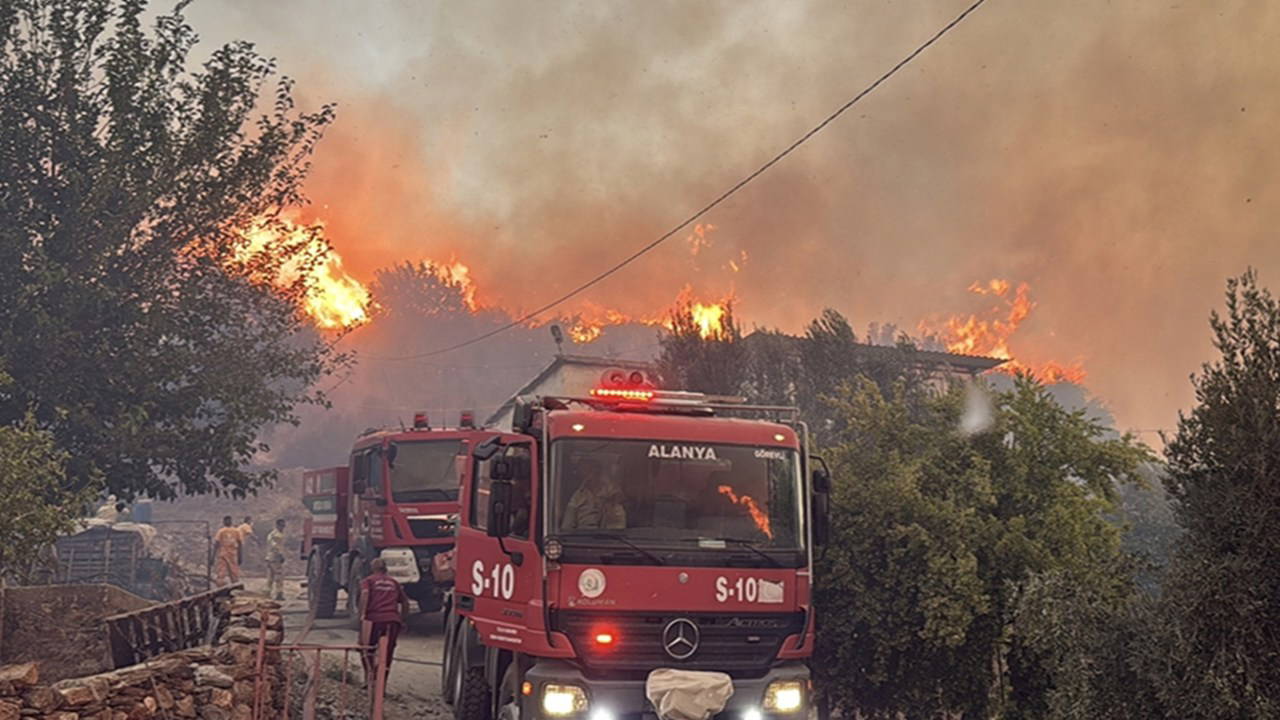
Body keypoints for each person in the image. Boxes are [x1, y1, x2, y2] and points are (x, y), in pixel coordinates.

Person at [358, 558, 410, 685]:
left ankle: (369, 677)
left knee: (365, 647)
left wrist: (362, 614)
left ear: (372, 568)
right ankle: (382, 683)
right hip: (392, 621)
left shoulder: (368, 581)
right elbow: (405, 602)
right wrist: (402, 620)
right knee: (388, 652)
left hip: (373, 619)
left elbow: (365, 595)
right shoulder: (394, 582)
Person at [562, 459, 626, 530]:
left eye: (590, 469)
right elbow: (567, 526)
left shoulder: (612, 492)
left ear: (598, 471)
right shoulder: (578, 496)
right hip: (581, 538)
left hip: (609, 538)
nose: (587, 474)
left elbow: (618, 527)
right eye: (583, 471)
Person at [212, 515, 243, 585]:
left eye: (229, 520)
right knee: (221, 572)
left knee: (234, 572)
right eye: (226, 520)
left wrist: (240, 556)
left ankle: (235, 586)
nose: (228, 522)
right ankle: (221, 587)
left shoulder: (236, 531)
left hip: (232, 554)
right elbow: (216, 544)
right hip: (224, 554)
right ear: (224, 522)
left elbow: (240, 543)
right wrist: (212, 557)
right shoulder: (221, 531)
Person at [265, 518, 287, 601]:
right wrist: (281, 555)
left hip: (270, 558)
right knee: (279, 576)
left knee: (270, 577)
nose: (283, 527)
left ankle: (267, 593)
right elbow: (275, 547)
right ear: (277, 525)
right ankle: (279, 594)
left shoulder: (272, 534)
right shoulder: (276, 535)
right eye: (282, 525)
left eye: (284, 526)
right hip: (275, 558)